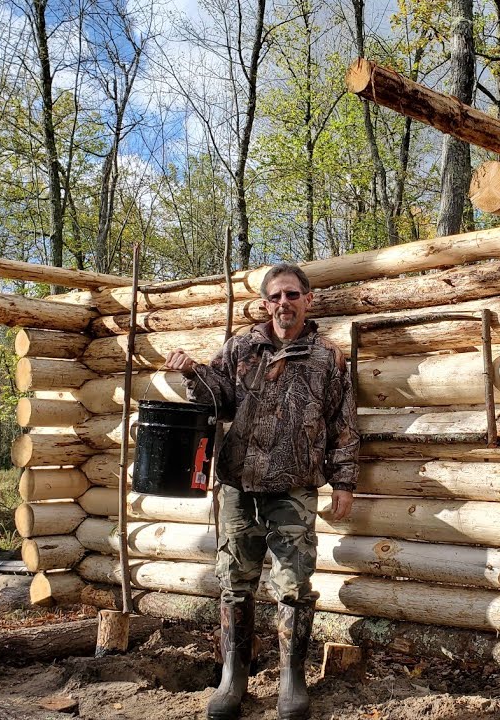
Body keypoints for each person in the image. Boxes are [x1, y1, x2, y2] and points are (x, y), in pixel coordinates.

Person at [163, 263, 358, 720]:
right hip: (238, 484)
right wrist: (193, 371)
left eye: (292, 295)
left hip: (294, 488)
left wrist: (344, 482)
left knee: (293, 585)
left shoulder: (328, 357)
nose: (283, 303)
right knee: (234, 583)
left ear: (308, 300)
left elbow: (343, 424)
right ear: (265, 303)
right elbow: (218, 401)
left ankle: (292, 680)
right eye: (275, 297)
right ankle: (234, 677)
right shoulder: (241, 347)